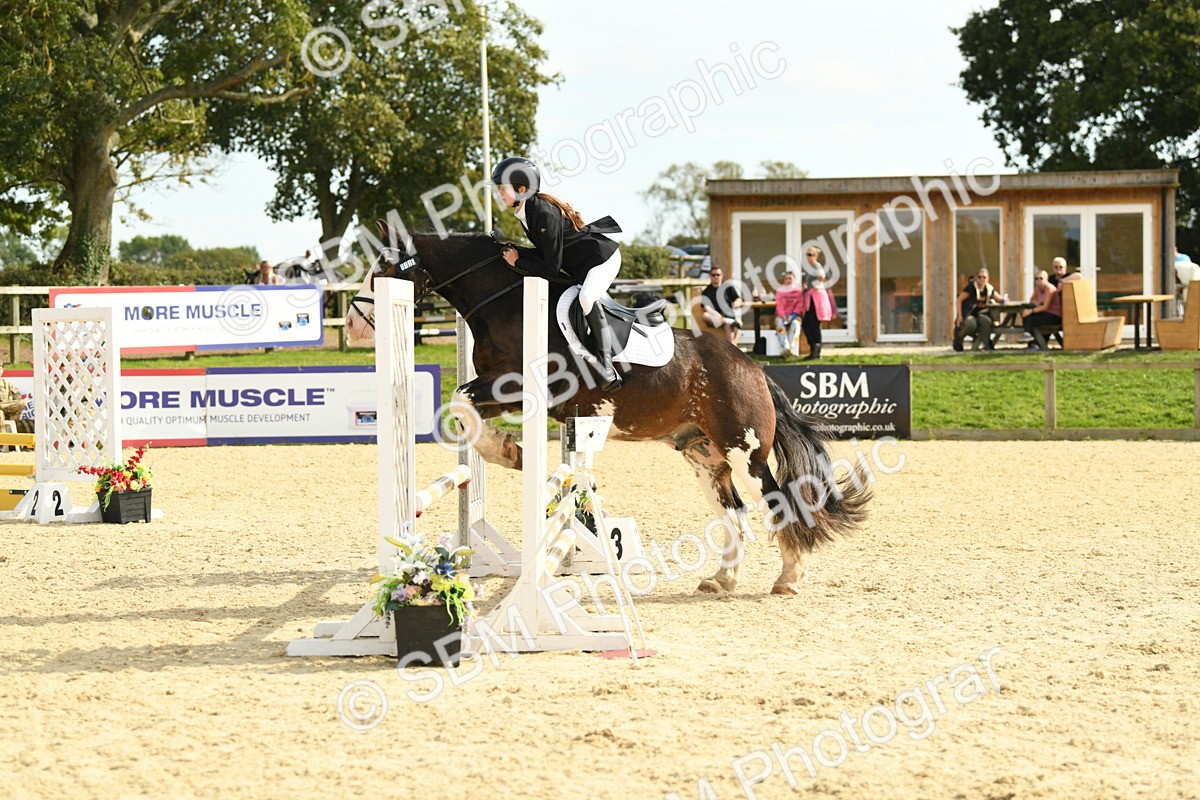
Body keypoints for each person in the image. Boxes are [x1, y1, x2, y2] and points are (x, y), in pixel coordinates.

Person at [490, 156, 625, 391]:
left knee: (586, 298)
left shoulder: (542, 213)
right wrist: (513, 251)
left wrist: (520, 262)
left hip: (602, 259)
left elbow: (550, 267)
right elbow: (545, 254)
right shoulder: (528, 211)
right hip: (583, 263)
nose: (499, 193)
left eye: (503, 188)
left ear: (521, 190)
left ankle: (607, 367)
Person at [798, 253, 837, 360]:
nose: (808, 257)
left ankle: (815, 349)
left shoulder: (816, 265)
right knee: (808, 324)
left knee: (812, 324)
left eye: (810, 255)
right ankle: (814, 349)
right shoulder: (810, 268)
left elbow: (822, 276)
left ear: (816, 256)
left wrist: (817, 284)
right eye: (807, 255)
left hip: (816, 299)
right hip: (812, 298)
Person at [953, 269, 1001, 351]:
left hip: (981, 314)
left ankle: (986, 345)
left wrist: (1005, 300)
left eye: (984, 277)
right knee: (971, 324)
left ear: (987, 279)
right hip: (969, 313)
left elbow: (1000, 299)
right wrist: (960, 316)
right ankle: (958, 339)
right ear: (976, 278)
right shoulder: (971, 288)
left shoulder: (989, 288)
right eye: (980, 277)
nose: (982, 279)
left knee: (986, 321)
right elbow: (959, 300)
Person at [699, 268, 744, 345]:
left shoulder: (728, 287)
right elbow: (705, 307)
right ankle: (730, 321)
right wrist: (714, 313)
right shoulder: (706, 291)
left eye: (718, 275)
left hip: (728, 315)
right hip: (714, 317)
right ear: (710, 276)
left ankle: (731, 351)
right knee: (705, 315)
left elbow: (738, 299)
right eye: (714, 275)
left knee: (728, 326)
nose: (716, 277)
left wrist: (736, 303)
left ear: (721, 276)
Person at [1021, 270, 1061, 350]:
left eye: (1041, 278)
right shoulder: (1037, 288)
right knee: (1027, 313)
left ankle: (1033, 342)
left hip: (1054, 315)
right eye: (1036, 279)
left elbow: (1045, 307)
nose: (1038, 281)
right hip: (1044, 313)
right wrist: (1037, 303)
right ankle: (1029, 339)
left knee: (1030, 317)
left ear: (1046, 279)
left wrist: (1031, 311)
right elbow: (1032, 299)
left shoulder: (1050, 289)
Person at [773, 270, 804, 353]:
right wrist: (783, 315)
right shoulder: (780, 291)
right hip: (782, 316)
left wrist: (793, 315)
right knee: (779, 324)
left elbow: (800, 305)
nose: (788, 280)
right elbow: (779, 305)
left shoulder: (799, 291)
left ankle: (791, 347)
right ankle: (785, 345)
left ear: (794, 279)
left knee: (796, 324)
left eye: (790, 278)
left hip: (794, 315)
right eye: (786, 278)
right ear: (784, 280)